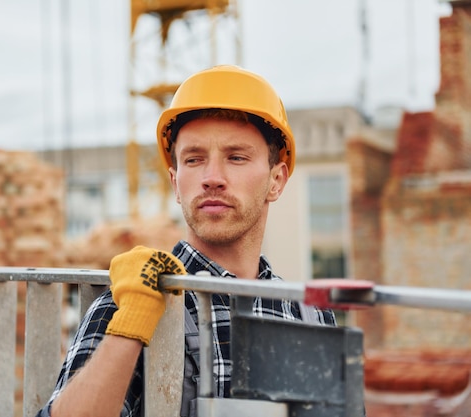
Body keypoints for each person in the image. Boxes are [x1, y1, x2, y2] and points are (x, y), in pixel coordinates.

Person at [36, 65, 337, 417]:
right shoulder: (131, 306)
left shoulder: (310, 317)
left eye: (236, 157)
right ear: (175, 181)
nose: (212, 178)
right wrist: (131, 323)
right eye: (194, 160)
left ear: (277, 180)